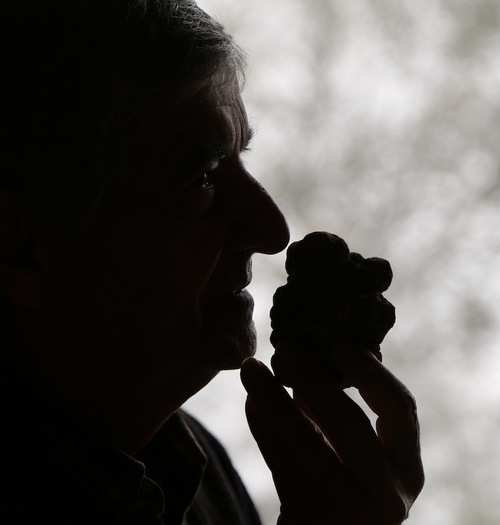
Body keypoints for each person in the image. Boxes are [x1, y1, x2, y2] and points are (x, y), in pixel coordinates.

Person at [0, 1, 424, 524]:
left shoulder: (196, 477)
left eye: (241, 159)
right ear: (23, 238)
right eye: (201, 175)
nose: (272, 232)